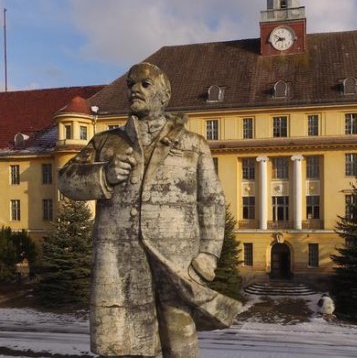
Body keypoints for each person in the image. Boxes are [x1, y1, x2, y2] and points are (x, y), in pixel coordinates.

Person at [58, 62, 241, 358]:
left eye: (145, 84)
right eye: (131, 84)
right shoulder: (106, 142)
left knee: (178, 341)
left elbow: (212, 200)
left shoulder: (193, 144)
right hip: (118, 259)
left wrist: (209, 252)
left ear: (164, 94)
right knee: (121, 342)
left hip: (176, 259)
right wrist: (103, 175)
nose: (135, 90)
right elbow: (65, 180)